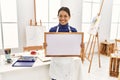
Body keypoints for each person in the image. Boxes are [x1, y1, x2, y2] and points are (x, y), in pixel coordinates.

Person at [49, 7, 81, 80]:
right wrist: (45, 46)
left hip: (68, 65)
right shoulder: (52, 30)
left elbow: (76, 47)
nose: (62, 18)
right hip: (56, 65)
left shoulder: (74, 31)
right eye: (60, 16)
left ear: (69, 17)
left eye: (65, 16)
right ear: (58, 17)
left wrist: (80, 46)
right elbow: (49, 48)